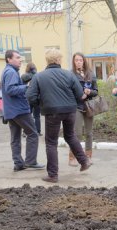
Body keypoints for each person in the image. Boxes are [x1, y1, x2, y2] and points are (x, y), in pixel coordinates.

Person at [27, 49, 91, 183]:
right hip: (70, 110)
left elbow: (30, 96)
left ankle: (53, 175)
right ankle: (84, 161)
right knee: (70, 136)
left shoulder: (39, 76)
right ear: (58, 60)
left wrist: (42, 103)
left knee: (51, 142)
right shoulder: (69, 75)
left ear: (47, 61)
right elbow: (79, 94)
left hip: (52, 112)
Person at [0, 50, 44, 172]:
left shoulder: (8, 71)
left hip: (11, 111)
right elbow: (10, 90)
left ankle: (18, 163)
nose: (21, 60)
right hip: (19, 110)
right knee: (33, 133)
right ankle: (31, 161)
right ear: (9, 59)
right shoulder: (11, 72)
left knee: (15, 138)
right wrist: (27, 86)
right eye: (18, 57)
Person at [69, 52, 98, 166]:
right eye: (76, 60)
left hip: (89, 106)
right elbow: (68, 91)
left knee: (89, 133)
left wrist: (89, 92)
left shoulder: (90, 74)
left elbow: (96, 91)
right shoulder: (70, 74)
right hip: (76, 106)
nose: (78, 62)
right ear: (74, 62)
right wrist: (80, 94)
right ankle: (72, 157)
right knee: (77, 133)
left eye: (80, 60)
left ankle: (88, 156)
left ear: (84, 61)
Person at [21, 62, 41, 136]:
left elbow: (20, 87)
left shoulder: (23, 76)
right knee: (37, 116)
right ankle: (38, 131)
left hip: (27, 98)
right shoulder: (38, 76)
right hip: (36, 98)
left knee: (27, 115)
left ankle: (25, 132)